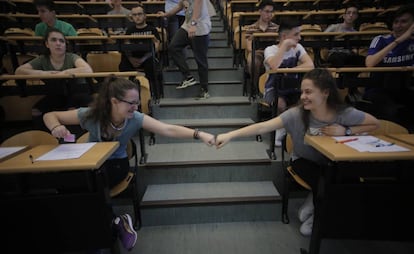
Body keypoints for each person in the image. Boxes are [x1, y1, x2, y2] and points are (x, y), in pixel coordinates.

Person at [43, 76, 216, 250]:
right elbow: (50, 115)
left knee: (91, 187)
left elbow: (167, 129)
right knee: (68, 186)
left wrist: (198, 134)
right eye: (131, 103)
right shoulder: (91, 115)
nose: (136, 107)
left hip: (116, 164)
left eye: (137, 102)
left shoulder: (135, 118)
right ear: (114, 102)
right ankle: (115, 222)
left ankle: (100, 232)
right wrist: (55, 127)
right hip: (90, 165)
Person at [215, 68, 380, 236]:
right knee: (323, 180)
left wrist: (346, 131)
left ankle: (322, 209)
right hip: (303, 160)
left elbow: (375, 124)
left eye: (308, 92)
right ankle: (319, 213)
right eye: (302, 92)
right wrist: (230, 135)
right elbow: (263, 126)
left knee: (347, 179)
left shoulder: (342, 113)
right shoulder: (296, 114)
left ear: (325, 93)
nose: (302, 97)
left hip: (333, 161)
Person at [15, 28, 93, 131]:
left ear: (65, 45)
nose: (58, 43)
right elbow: (19, 71)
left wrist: (64, 72)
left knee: (73, 109)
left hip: (77, 94)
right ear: (47, 44)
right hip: (56, 95)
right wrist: (42, 73)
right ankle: (46, 138)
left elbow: (88, 70)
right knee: (36, 111)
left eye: (61, 41)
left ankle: (75, 138)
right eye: (54, 40)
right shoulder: (42, 59)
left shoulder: (72, 57)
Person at [263, 18, 314, 145]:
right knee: (280, 104)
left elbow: (310, 65)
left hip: (293, 87)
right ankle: (280, 129)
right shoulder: (270, 50)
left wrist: (291, 70)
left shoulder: (298, 48)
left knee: (306, 103)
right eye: (296, 34)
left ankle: (291, 130)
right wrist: (285, 45)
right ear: (284, 36)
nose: (299, 38)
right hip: (273, 89)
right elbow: (274, 66)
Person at [364, 4, 414, 122]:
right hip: (378, 90)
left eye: (404, 22)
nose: (398, 25)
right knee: (392, 112)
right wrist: (398, 41)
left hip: (404, 88)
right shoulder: (381, 40)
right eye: (396, 22)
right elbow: (369, 63)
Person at [161, 0, 211, 100]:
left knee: (200, 59)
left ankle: (204, 90)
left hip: (200, 26)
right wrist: (166, 14)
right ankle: (188, 76)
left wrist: (193, 24)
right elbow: (180, 5)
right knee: (173, 47)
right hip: (187, 24)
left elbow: (197, 6)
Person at [118, 4, 162, 93]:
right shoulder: (129, 30)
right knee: (123, 64)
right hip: (132, 58)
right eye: (134, 15)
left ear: (145, 16)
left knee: (152, 65)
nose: (137, 17)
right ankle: (128, 91)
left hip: (147, 58)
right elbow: (126, 46)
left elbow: (157, 47)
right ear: (132, 17)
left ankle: (151, 92)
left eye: (139, 14)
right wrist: (131, 59)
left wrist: (142, 59)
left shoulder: (152, 29)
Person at [244, 0, 279, 93]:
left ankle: (274, 89)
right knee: (253, 62)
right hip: (257, 52)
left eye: (271, 12)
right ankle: (256, 88)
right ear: (260, 11)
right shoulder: (251, 28)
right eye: (267, 11)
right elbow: (249, 47)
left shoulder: (276, 28)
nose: (269, 14)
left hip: (272, 54)